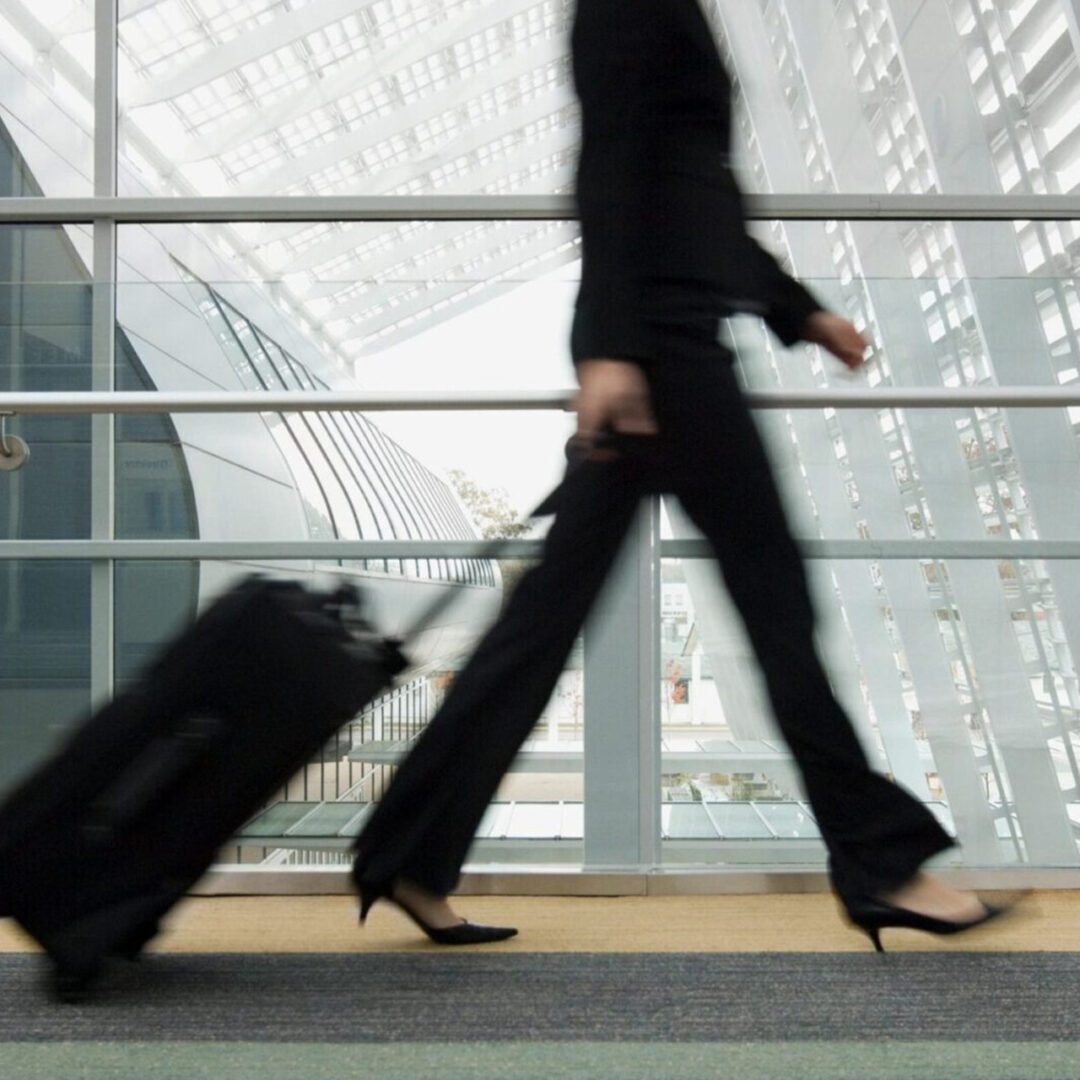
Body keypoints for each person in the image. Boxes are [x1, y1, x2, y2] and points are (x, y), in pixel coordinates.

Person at [351, 0, 1000, 951]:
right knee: (777, 615)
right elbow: (611, 167)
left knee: (542, 626)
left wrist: (795, 308)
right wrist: (609, 350)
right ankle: (882, 863)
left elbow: (692, 185)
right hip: (664, 362)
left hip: (665, 347)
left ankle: (410, 852)